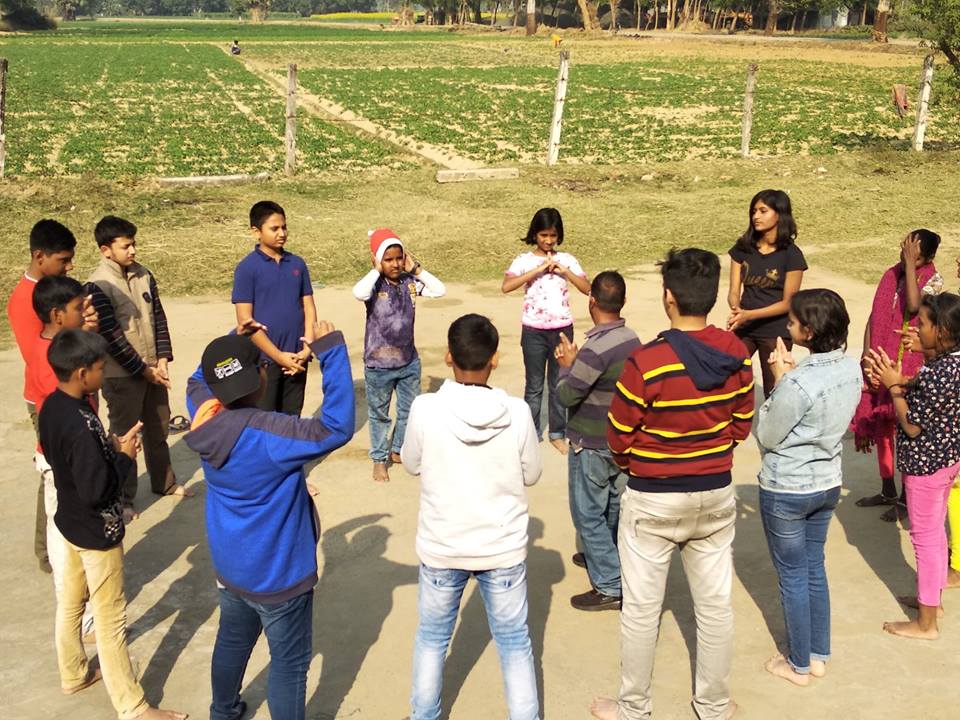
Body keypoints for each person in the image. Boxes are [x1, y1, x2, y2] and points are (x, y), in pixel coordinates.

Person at [592, 248, 754, 720]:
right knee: (715, 608)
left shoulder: (646, 362)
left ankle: (633, 707)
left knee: (641, 611)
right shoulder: (737, 354)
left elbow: (618, 435)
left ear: (668, 297)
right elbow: (741, 426)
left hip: (653, 498)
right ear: (712, 296)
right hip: (715, 491)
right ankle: (714, 705)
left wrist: (638, 464)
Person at [184, 320, 354, 720]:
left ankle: (223, 711)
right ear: (261, 376)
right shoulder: (271, 433)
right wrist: (331, 351)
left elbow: (198, 378)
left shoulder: (203, 414)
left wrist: (234, 338)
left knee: (232, 640)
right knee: (289, 663)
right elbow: (335, 426)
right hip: (279, 574)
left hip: (232, 567)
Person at [38, 329, 187, 720]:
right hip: (95, 533)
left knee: (71, 604)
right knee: (110, 619)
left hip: (69, 522)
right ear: (82, 373)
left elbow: (67, 462)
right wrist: (123, 457)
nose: (103, 375)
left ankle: (73, 673)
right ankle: (133, 705)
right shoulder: (80, 422)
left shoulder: (52, 406)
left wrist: (110, 448)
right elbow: (98, 490)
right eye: (100, 369)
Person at [401, 313, 542, 720]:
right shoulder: (516, 412)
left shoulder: (426, 408)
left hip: (443, 546)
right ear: (494, 359)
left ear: (449, 356)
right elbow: (532, 474)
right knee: (514, 642)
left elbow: (410, 463)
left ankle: (424, 715)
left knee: (432, 638)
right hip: (502, 549)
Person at [753, 289, 862, 686]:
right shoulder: (850, 369)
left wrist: (780, 378)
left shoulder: (798, 382)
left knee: (793, 576)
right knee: (814, 568)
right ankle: (818, 655)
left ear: (809, 332)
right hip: (827, 483)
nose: (789, 326)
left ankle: (798, 664)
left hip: (787, 488)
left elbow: (767, 434)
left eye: (794, 322)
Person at [867, 293, 960, 640]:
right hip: (945, 461)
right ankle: (930, 601)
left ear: (943, 331)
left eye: (923, 325)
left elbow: (912, 426)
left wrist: (893, 386)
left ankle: (926, 624)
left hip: (926, 467)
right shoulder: (951, 363)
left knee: (925, 539)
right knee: (934, 533)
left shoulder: (939, 373)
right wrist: (903, 375)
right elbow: (928, 388)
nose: (916, 330)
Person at [6, 219, 94, 573]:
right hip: (51, 399)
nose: (70, 266)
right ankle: (50, 552)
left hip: (65, 394)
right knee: (55, 472)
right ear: (39, 256)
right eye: (63, 260)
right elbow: (42, 362)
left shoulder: (51, 292)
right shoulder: (25, 302)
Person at [88, 216, 191, 515]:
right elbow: (112, 338)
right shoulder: (98, 285)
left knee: (159, 428)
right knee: (126, 437)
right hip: (121, 375)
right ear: (106, 250)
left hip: (154, 370)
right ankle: (124, 499)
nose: (132, 250)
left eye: (133, 244)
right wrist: (144, 370)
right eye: (125, 246)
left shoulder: (144, 275)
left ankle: (165, 482)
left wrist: (162, 359)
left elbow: (158, 318)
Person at [554, 271, 640, 611]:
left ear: (591, 301)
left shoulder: (594, 350)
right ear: (624, 301)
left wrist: (566, 366)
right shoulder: (631, 339)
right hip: (619, 439)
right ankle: (605, 556)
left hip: (590, 443)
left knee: (587, 513)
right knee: (613, 506)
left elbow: (567, 395)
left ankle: (609, 584)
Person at [852, 229, 942, 522]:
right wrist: (867, 355)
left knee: (903, 431)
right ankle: (887, 489)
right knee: (882, 429)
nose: (906, 258)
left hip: (908, 366)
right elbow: (873, 317)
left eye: (915, 256)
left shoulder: (934, 281)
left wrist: (910, 267)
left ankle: (906, 498)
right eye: (905, 251)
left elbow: (914, 306)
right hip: (880, 359)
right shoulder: (890, 275)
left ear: (928, 258)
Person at [30, 276, 99, 639]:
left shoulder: (56, 349)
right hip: (62, 461)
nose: (85, 312)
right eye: (78, 308)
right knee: (64, 542)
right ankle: (77, 613)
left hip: (68, 454)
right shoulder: (51, 362)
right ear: (58, 315)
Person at [353, 227, 445, 483]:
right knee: (379, 415)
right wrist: (375, 270)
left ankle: (397, 449)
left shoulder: (410, 283)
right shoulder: (374, 285)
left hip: (408, 362)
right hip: (378, 366)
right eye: (388, 259)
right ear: (377, 260)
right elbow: (358, 293)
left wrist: (417, 269)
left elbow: (440, 290)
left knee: (409, 411)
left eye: (398, 258)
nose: (394, 264)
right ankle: (379, 459)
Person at [502, 208, 590, 454]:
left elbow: (588, 288)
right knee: (534, 386)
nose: (548, 241)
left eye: (553, 235)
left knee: (558, 383)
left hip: (562, 330)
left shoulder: (567, 260)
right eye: (543, 235)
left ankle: (557, 433)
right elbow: (506, 286)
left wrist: (565, 271)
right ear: (534, 234)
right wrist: (537, 270)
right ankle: (531, 433)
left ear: (559, 235)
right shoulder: (523, 260)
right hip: (533, 331)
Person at [232, 200, 317, 416]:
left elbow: (308, 307)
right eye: (274, 228)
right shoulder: (247, 269)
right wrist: (278, 356)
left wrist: (307, 348)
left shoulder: (297, 264)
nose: (282, 233)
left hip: (297, 359)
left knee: (292, 419)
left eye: (284, 227)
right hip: (265, 362)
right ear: (256, 232)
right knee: (265, 421)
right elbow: (246, 322)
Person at [726, 189, 807, 398]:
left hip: (775, 330)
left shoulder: (792, 255)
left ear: (779, 214)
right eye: (754, 211)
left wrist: (749, 314)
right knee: (726, 376)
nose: (756, 216)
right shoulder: (742, 248)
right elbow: (733, 291)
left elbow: (788, 303)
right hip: (744, 326)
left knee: (774, 388)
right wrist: (736, 310)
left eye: (763, 211)